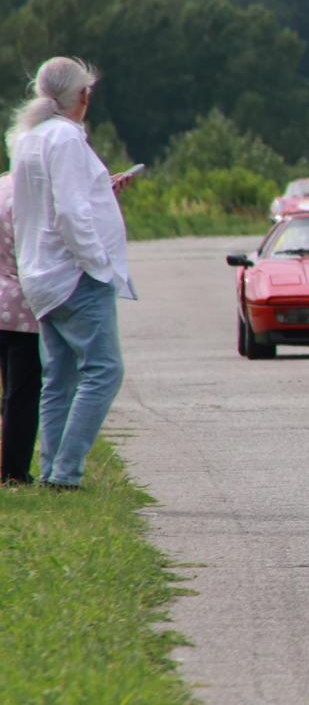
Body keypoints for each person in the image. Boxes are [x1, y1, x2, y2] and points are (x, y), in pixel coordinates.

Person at [6, 57, 137, 489]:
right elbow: (69, 211)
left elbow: (39, 205)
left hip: (39, 274)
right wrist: (97, 264)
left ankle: (51, 470)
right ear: (81, 95)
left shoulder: (29, 138)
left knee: (59, 378)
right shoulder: (65, 138)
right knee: (104, 370)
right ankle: (65, 472)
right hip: (73, 274)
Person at [0, 172, 40, 485]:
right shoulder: (34, 195)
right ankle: (14, 470)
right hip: (23, 306)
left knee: (10, 391)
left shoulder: (2, 187)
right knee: (22, 393)